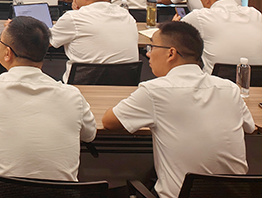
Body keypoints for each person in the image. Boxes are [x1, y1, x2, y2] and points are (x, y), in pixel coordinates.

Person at [103, 21, 255, 198]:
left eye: (152, 47)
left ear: (171, 53)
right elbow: (250, 128)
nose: (148, 54)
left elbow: (109, 122)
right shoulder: (230, 89)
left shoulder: (154, 90)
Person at [0, 16, 97, 198]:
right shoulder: (73, 96)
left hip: (3, 194)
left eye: (0, 41)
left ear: (8, 53)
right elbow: (89, 135)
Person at [50, 0, 139, 82]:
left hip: (79, 88)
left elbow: (44, 41)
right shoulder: (127, 16)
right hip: (123, 87)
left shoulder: (73, 18)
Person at [179, 0, 262, 74]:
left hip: (217, 82)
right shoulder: (255, 14)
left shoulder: (200, 16)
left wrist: (176, 23)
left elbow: (171, 38)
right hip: (257, 81)